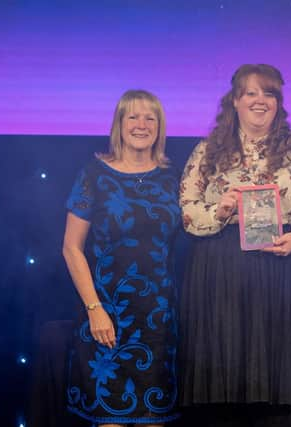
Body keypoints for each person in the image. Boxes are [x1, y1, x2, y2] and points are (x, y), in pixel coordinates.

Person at [178, 64, 291, 426]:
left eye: (268, 93)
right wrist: (221, 209)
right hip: (222, 272)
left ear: (278, 102)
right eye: (250, 93)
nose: (259, 101)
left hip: (283, 270)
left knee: (277, 395)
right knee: (224, 389)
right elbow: (187, 211)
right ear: (234, 101)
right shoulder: (208, 151)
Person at [62, 89, 181, 426]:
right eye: (133, 116)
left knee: (153, 418)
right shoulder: (94, 174)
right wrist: (94, 309)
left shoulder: (173, 178)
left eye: (150, 117)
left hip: (159, 322)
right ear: (119, 124)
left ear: (159, 126)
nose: (141, 125)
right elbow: (71, 248)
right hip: (106, 319)